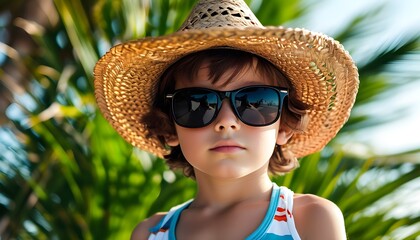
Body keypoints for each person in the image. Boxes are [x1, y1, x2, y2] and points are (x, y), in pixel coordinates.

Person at [93, 0, 359, 239]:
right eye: (196, 104)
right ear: (169, 126)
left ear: (285, 125)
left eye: (255, 102)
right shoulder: (149, 234)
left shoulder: (309, 219)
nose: (226, 121)